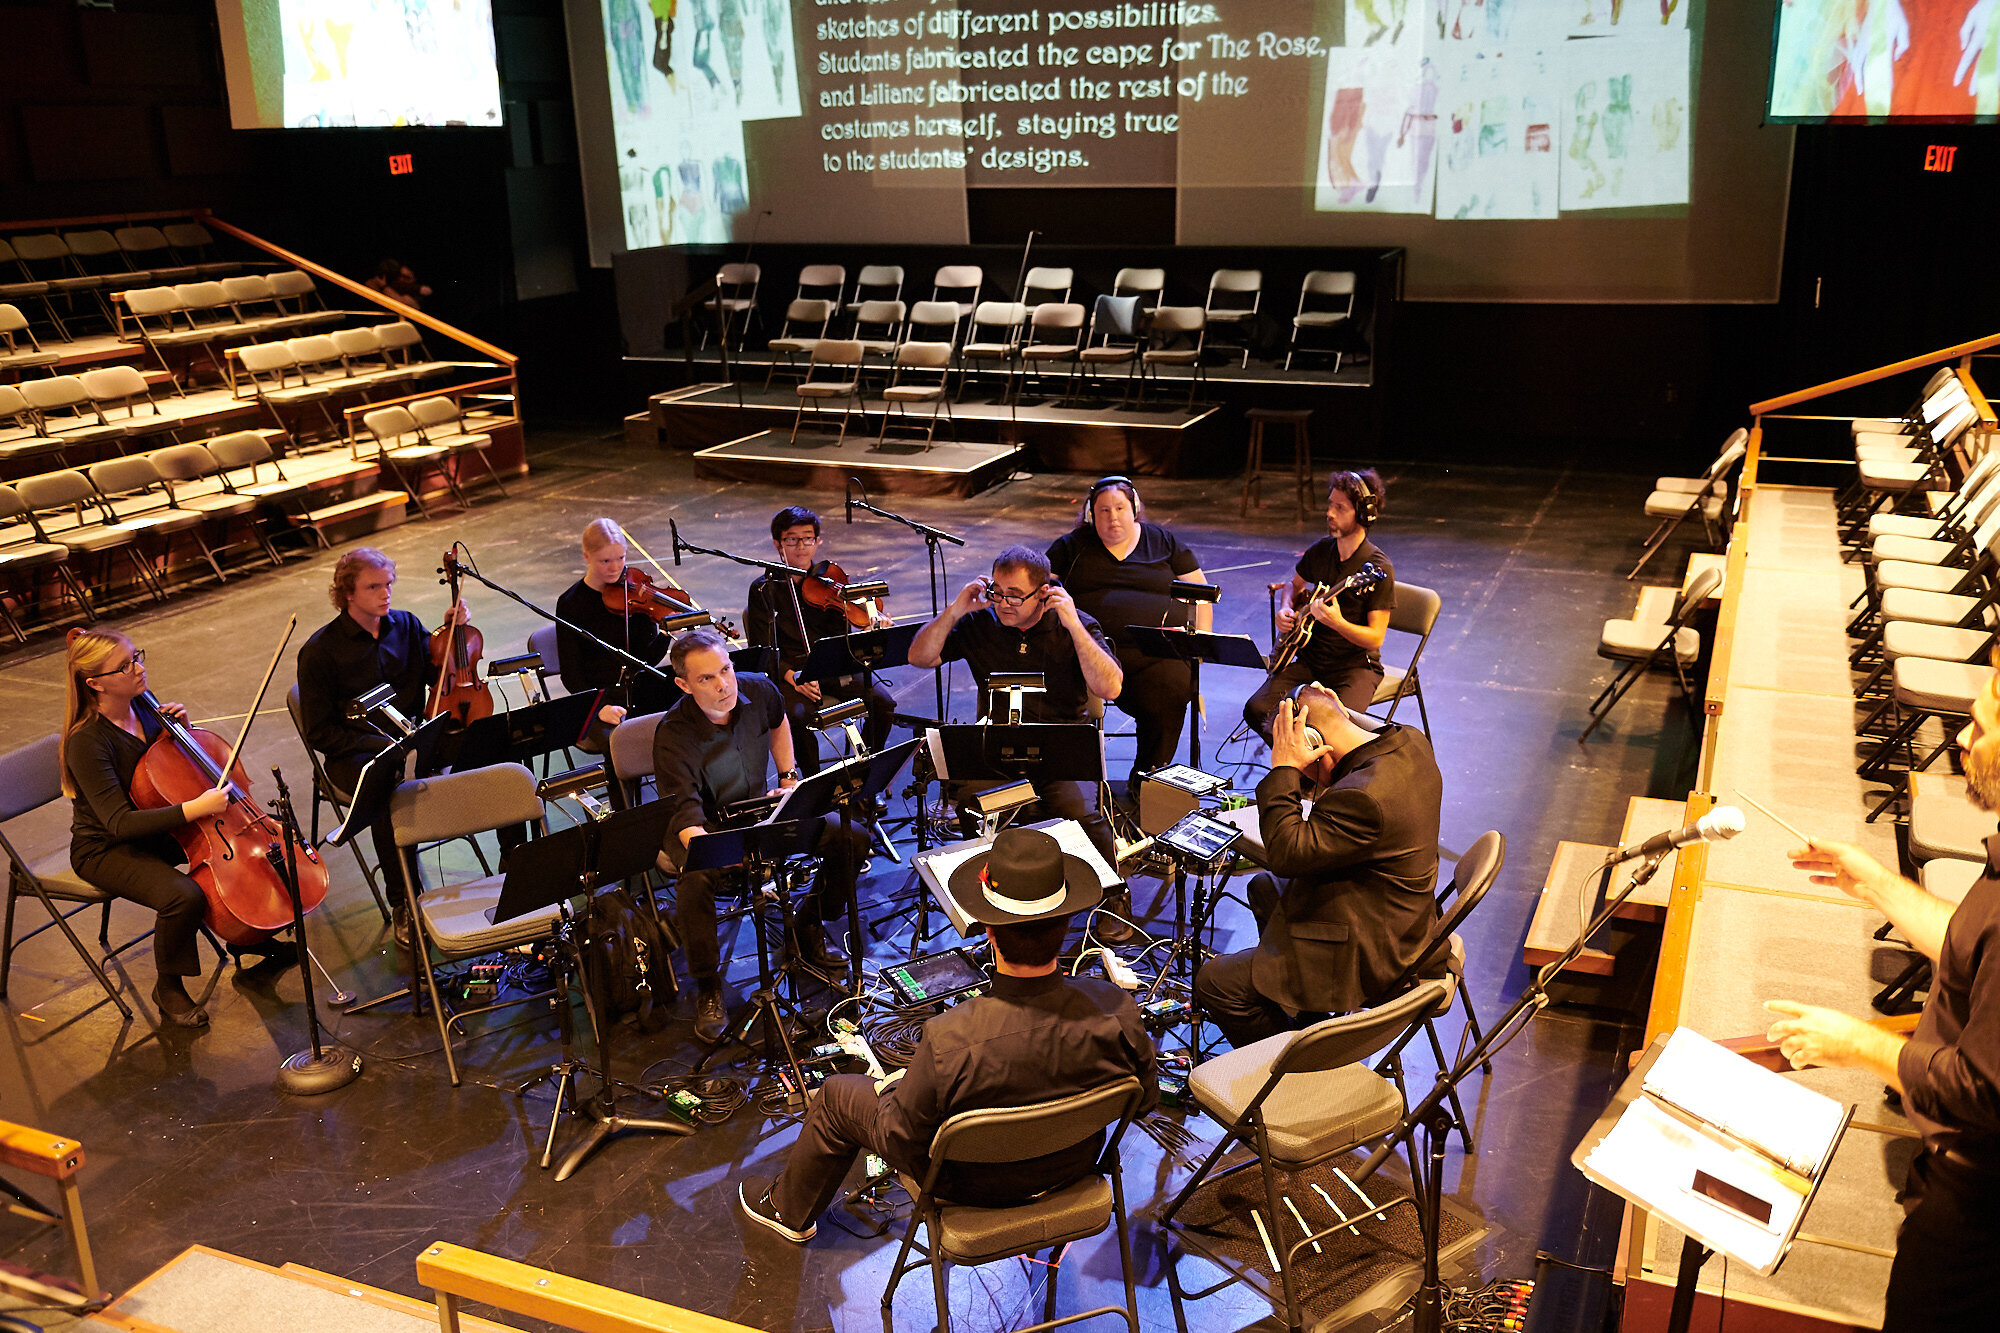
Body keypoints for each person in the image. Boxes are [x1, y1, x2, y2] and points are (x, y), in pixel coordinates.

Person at [737, 826, 1158, 1242]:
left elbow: (900, 1143)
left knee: (835, 1096)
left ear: (989, 931)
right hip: (1075, 1169)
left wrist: (892, 1092)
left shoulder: (948, 1040)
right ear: (1066, 924)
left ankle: (787, 1210)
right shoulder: (1118, 1008)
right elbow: (1144, 1101)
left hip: (969, 1189)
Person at [1766, 662, 2000, 1332]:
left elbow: (1984, 1085)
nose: (1960, 738)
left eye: (1980, 728)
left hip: (1975, 1215)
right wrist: (1876, 885)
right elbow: (1970, 948)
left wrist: (1857, 1042)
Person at [1196, 682, 1441, 1049]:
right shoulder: (1411, 740)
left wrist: (1284, 769)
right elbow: (1335, 717)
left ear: (1314, 745)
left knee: (1216, 982)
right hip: (1401, 911)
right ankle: (1306, 1011)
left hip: (1378, 950)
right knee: (1263, 889)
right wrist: (1326, 706)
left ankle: (1298, 1069)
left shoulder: (1364, 796)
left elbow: (1286, 855)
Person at [652, 627, 867, 1042]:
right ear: (683, 684)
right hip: (703, 829)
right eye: (707, 679)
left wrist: (788, 778)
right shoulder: (673, 735)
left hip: (758, 814)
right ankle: (708, 983)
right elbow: (686, 820)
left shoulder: (759, 689)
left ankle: (807, 927)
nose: (723, 685)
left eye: (726, 670)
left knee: (851, 836)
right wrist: (729, 852)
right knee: (695, 881)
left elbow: (779, 720)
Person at [908, 544, 1130, 934]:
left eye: (1014, 595)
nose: (1003, 603)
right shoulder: (982, 622)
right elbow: (920, 658)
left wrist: (1074, 624)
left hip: (1061, 745)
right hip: (999, 745)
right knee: (973, 804)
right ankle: (982, 900)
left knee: (1080, 812)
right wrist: (957, 609)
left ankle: (1112, 899)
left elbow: (1110, 687)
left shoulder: (1074, 624)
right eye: (997, 591)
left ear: (1043, 592)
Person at [60, 629, 232, 1028]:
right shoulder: (86, 741)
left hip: (152, 830)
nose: (139, 668)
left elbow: (166, 779)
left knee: (230, 857)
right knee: (183, 895)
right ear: (95, 684)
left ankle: (251, 940)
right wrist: (193, 809)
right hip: (104, 849)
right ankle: (168, 988)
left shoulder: (147, 709)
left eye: (135, 656)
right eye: (125, 665)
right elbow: (119, 823)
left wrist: (184, 734)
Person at [296, 547, 466, 942]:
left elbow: (439, 673)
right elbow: (320, 733)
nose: (385, 593)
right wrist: (380, 744)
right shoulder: (319, 652)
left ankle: (511, 862)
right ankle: (404, 901)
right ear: (348, 593)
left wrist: (450, 635)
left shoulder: (406, 625)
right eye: (374, 586)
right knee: (385, 785)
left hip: (412, 737)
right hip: (356, 752)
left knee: (489, 745)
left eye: (388, 584)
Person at [1047, 475, 1212, 792]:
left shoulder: (1162, 541)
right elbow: (1044, 584)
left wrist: (1199, 644)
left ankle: (1148, 777)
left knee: (1173, 688)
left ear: (1134, 508)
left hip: (1155, 651)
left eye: (1120, 508)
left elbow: (1201, 592)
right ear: (1090, 514)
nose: (1112, 517)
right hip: (1092, 651)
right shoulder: (1071, 546)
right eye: (1104, 510)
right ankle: (1072, 787)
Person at [1244, 470, 1397, 739]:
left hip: (1354, 667)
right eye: (1329, 504)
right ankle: (1299, 768)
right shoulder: (1321, 550)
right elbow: (1293, 585)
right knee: (1257, 709)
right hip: (1311, 660)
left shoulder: (1377, 567)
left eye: (1340, 508)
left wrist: (1337, 622)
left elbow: (1375, 638)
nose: (1330, 513)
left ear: (1362, 515)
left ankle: (1324, 778)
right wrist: (1285, 608)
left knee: (1337, 732)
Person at [744, 506, 896, 777]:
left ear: (818, 541)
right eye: (792, 539)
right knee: (797, 717)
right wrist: (792, 676)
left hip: (832, 666)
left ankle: (866, 774)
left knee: (883, 703)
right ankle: (815, 783)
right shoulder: (763, 588)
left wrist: (871, 624)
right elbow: (761, 649)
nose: (801, 547)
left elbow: (845, 632)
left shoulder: (831, 580)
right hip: (791, 672)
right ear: (778, 543)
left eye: (808, 538)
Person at [554, 518, 671, 743]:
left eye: (621, 558)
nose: (616, 568)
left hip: (639, 692)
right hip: (599, 698)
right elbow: (571, 674)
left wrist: (666, 634)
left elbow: (647, 659)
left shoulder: (635, 592)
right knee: (623, 744)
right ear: (587, 556)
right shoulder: (570, 603)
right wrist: (599, 708)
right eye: (605, 560)